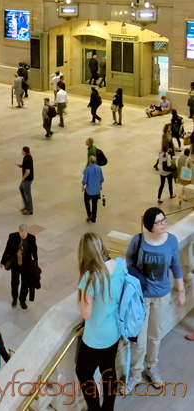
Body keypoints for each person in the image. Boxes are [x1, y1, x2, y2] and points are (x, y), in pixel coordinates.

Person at [125, 207, 186, 392]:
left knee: (155, 336)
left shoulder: (172, 241)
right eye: (158, 222)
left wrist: (181, 291)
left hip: (162, 295)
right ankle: (136, 373)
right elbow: (129, 262)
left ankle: (152, 367)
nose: (163, 224)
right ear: (150, 226)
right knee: (139, 340)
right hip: (141, 297)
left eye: (164, 220)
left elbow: (176, 266)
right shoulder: (138, 240)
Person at [75, 232, 125, 411]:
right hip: (115, 329)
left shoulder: (89, 277)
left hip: (96, 336)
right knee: (108, 370)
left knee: (83, 371)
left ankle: (94, 409)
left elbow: (86, 314)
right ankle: (108, 408)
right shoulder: (119, 264)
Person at [0, 224, 38, 309]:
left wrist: (35, 265)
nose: (23, 235)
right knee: (15, 283)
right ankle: (14, 298)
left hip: (26, 266)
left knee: (25, 284)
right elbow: (7, 249)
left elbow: (35, 252)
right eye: (22, 233)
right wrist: (3, 261)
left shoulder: (32, 238)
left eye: (25, 233)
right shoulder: (12, 237)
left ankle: (22, 300)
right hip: (15, 265)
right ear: (19, 232)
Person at [81, 155, 105, 222]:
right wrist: (100, 185)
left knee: (86, 201)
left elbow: (85, 180)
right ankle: (94, 217)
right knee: (95, 204)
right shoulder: (99, 168)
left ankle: (89, 214)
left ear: (89, 161)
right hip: (96, 190)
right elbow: (101, 178)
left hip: (89, 190)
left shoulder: (87, 169)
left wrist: (82, 186)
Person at [18, 146, 34, 215]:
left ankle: (30, 209)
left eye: (22, 151)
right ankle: (26, 206)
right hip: (26, 179)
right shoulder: (28, 157)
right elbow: (27, 166)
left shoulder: (27, 159)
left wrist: (23, 177)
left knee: (28, 194)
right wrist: (22, 166)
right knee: (21, 189)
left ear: (24, 152)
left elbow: (28, 171)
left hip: (27, 179)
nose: (21, 152)